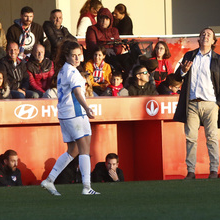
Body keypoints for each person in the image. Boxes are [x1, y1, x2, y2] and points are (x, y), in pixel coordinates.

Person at [41, 40, 100, 196]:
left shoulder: (65, 70)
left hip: (67, 114)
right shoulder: (72, 72)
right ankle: (87, 187)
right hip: (75, 113)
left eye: (78, 55)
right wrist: (87, 108)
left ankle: (50, 180)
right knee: (84, 149)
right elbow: (77, 93)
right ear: (66, 56)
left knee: (73, 150)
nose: (76, 58)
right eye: (73, 55)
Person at [173, 28, 220, 180]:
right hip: (192, 103)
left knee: (212, 137)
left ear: (213, 41)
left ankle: (214, 170)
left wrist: (218, 103)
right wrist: (183, 71)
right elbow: (177, 77)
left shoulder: (219, 60)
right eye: (203, 34)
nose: (205, 36)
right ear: (199, 39)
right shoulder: (190, 55)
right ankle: (190, 171)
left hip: (210, 104)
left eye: (209, 35)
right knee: (191, 138)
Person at [86, 8, 132, 79]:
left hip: (114, 54)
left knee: (128, 60)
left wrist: (113, 51)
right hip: (100, 56)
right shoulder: (92, 29)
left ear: (110, 20)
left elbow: (119, 45)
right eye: (102, 19)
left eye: (107, 19)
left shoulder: (114, 30)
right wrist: (105, 51)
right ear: (98, 19)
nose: (104, 21)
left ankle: (128, 81)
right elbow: (92, 46)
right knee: (115, 64)